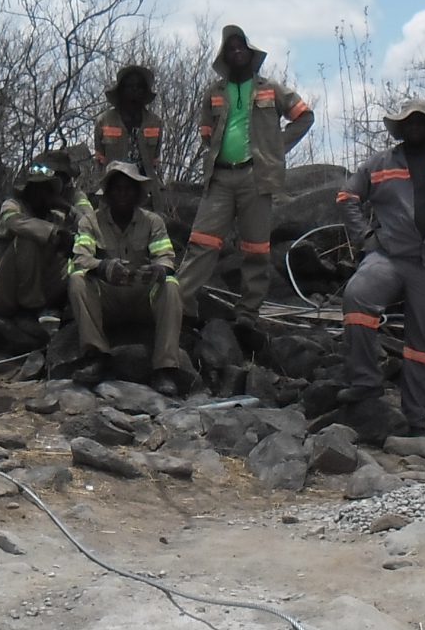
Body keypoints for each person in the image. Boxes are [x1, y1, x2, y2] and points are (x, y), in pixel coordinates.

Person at [178, 24, 312, 329]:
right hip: (221, 177)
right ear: (225, 56)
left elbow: (304, 116)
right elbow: (205, 131)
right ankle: (180, 302)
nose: (237, 52)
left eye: (242, 48)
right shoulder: (214, 92)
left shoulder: (271, 88)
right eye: (231, 49)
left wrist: (277, 144)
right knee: (202, 241)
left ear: (250, 54)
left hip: (257, 177)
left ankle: (248, 314)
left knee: (256, 248)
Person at [338, 98, 425, 437]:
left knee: (424, 342)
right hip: (389, 255)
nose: (414, 127)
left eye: (420, 121)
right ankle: (365, 381)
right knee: (358, 297)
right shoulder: (379, 163)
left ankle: (415, 420)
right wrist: (365, 237)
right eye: (408, 122)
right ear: (400, 128)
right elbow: (346, 197)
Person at [70, 160, 189, 395]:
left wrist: (158, 270)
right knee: (77, 279)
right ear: (108, 193)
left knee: (172, 285)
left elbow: (166, 257)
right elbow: (80, 258)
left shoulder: (153, 221)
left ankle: (164, 368)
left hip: (142, 298)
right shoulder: (89, 221)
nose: (122, 194)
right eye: (117, 189)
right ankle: (97, 357)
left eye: (128, 189)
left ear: (137, 193)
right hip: (108, 299)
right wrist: (103, 267)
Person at [0, 158, 77, 352]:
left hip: (42, 286)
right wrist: (54, 233)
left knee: (76, 254)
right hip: (2, 289)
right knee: (28, 239)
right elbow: (15, 223)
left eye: (46, 190)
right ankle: (28, 311)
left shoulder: (56, 216)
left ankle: (66, 311)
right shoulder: (12, 206)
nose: (41, 195)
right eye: (37, 189)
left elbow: (82, 229)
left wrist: (67, 209)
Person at [91, 63, 165, 204]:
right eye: (129, 86)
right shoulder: (104, 120)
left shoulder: (155, 122)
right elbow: (99, 160)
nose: (134, 90)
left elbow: (155, 159)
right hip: (112, 189)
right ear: (121, 90)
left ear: (144, 92)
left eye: (139, 87)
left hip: (145, 190)